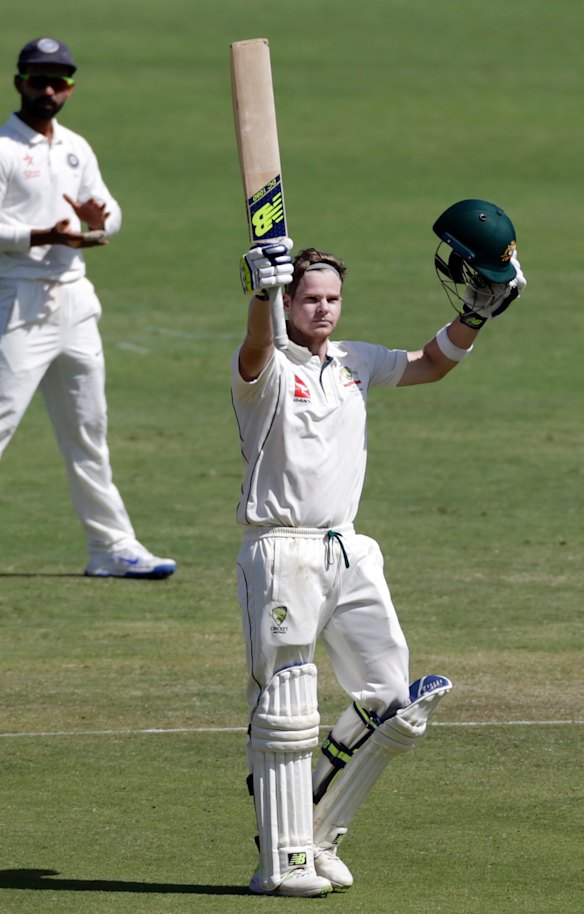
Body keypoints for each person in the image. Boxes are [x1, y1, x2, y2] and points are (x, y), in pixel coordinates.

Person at [231, 199, 526, 896]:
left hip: (349, 549)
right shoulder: (267, 369)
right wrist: (258, 295)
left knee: (392, 699)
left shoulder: (355, 362)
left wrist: (476, 314)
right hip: (282, 549)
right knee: (286, 706)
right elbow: (253, 350)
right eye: (309, 299)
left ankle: (319, 830)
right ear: (289, 303)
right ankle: (281, 862)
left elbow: (430, 364)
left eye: (332, 298)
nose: (324, 310)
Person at [0, 37, 175, 578]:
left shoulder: (76, 146)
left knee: (88, 430)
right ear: (19, 82)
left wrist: (100, 222)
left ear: (70, 88)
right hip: (17, 297)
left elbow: (108, 208)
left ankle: (111, 547)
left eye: (61, 82)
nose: (50, 90)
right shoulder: (3, 146)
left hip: (75, 300)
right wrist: (37, 235)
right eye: (39, 79)